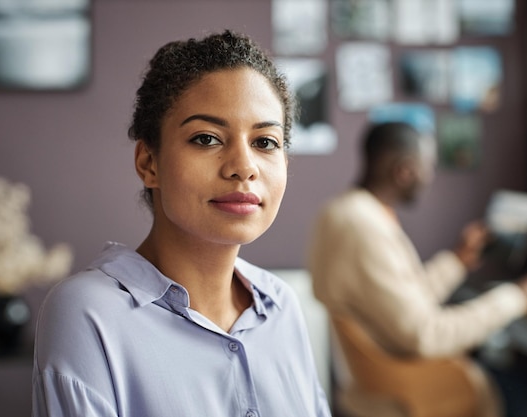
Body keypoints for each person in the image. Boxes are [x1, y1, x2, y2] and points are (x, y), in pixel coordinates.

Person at [32, 30, 331, 417]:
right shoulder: (87, 314)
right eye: (206, 138)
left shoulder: (281, 306)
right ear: (148, 163)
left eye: (265, 142)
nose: (244, 167)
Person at [307, 121, 527, 417]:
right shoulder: (363, 227)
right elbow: (427, 334)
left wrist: (457, 260)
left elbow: (398, 301)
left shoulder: (340, 212)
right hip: (410, 389)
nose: (430, 176)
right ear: (405, 171)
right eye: (428, 166)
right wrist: (516, 297)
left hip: (375, 384)